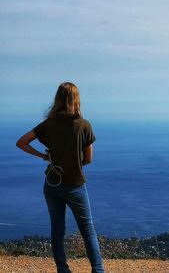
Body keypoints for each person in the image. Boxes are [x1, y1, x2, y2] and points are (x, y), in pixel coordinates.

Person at [16, 82, 104, 273]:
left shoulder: (48, 125)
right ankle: (98, 270)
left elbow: (21, 142)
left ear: (58, 100)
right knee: (87, 230)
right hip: (75, 185)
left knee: (57, 230)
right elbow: (88, 160)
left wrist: (44, 156)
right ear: (77, 100)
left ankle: (63, 270)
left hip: (52, 183)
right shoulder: (84, 125)